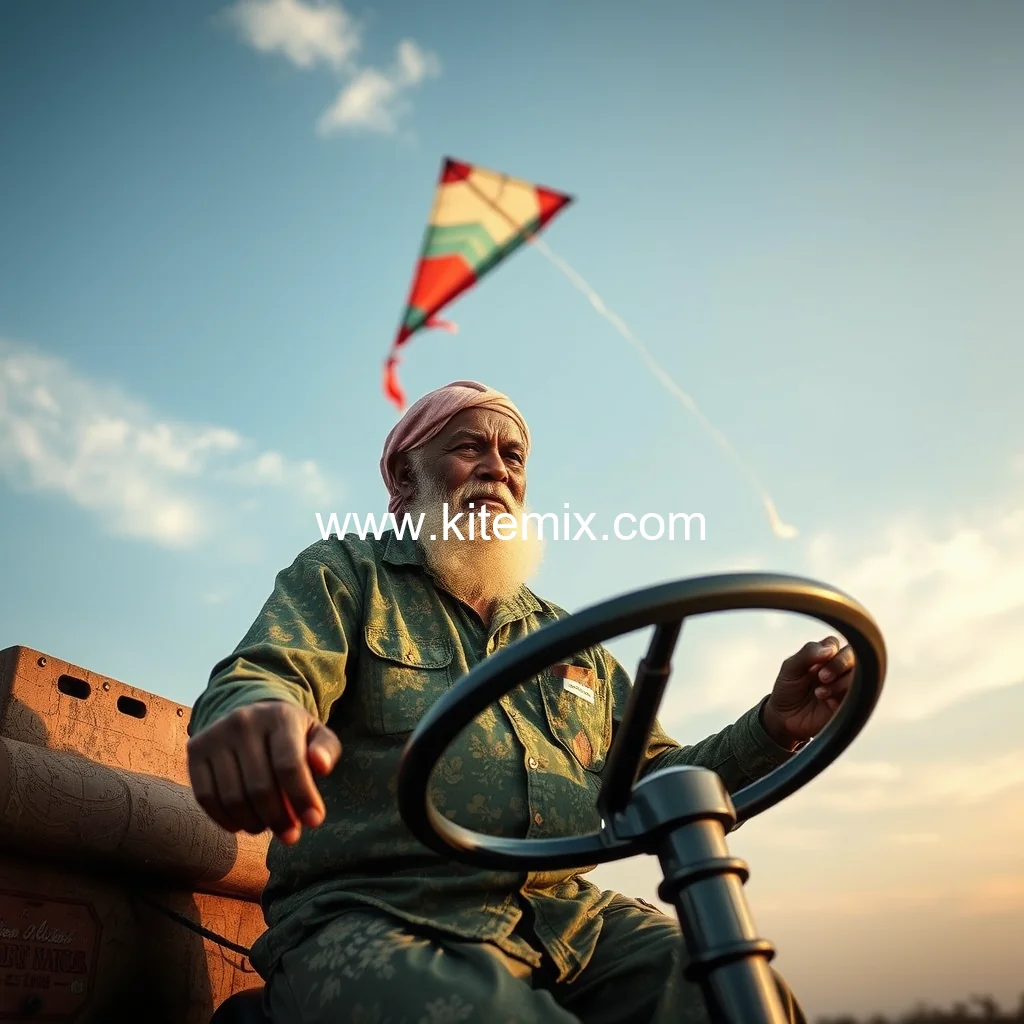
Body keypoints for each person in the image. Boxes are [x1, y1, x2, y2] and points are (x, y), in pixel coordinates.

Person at [187, 380, 855, 1024]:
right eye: (469, 448)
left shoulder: (571, 641)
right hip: (378, 909)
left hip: (568, 918)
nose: (496, 470)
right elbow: (267, 675)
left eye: (513, 457)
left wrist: (774, 727)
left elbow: (656, 780)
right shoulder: (347, 575)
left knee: (730, 990)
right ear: (403, 478)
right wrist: (256, 716)